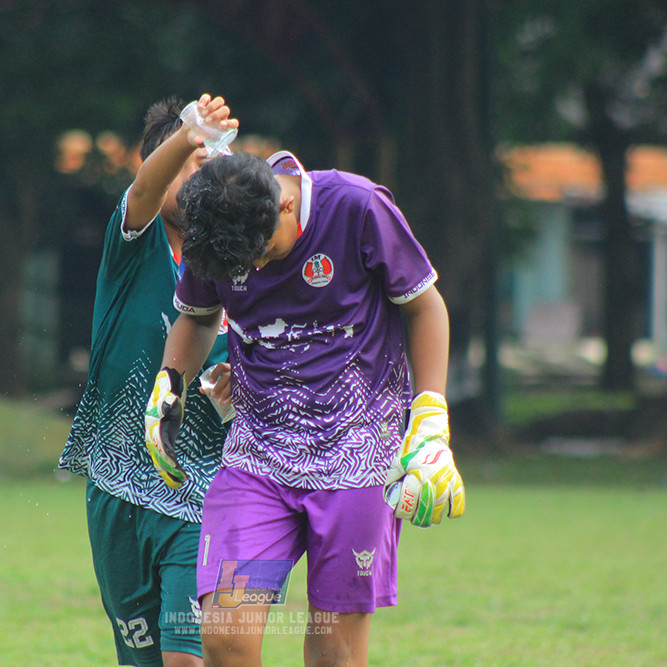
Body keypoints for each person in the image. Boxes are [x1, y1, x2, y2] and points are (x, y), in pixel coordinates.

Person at [144, 150, 465, 666]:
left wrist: (430, 421)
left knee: (334, 651)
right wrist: (169, 384)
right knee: (225, 633)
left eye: (264, 253)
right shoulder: (218, 228)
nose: (256, 269)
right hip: (257, 458)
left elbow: (425, 306)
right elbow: (199, 317)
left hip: (357, 460)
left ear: (288, 204)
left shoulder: (358, 207)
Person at [59, 94, 238, 667]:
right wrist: (186, 134)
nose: (205, 182)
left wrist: (237, 399)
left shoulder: (241, 269)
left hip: (201, 492)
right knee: (143, 659)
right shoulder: (133, 247)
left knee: (188, 657)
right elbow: (140, 192)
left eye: (213, 167)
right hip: (115, 485)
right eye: (193, 167)